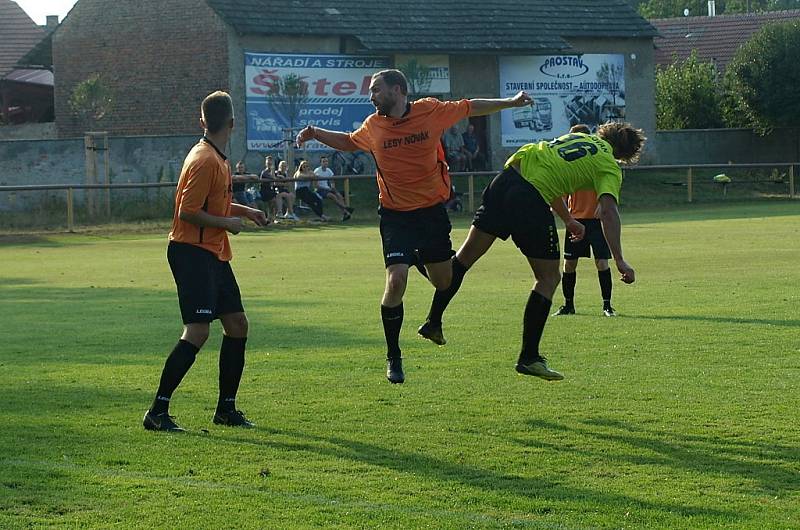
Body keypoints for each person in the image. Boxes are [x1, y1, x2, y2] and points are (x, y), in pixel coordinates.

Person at [296, 68, 532, 384]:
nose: (371, 96)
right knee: (396, 280)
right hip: (396, 216)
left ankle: (418, 261)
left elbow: (471, 106)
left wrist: (511, 102)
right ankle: (394, 357)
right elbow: (351, 142)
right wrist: (315, 132)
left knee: (443, 281)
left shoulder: (429, 111)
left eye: (377, 90)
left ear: (398, 90)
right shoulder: (373, 125)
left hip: (431, 213)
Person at [418, 121, 646, 381]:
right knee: (548, 278)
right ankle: (529, 357)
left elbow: (548, 176)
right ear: (626, 155)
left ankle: (433, 321)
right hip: (528, 198)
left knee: (463, 259)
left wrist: (569, 219)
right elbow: (608, 211)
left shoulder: (574, 139)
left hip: (504, 180)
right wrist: (619, 259)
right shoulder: (608, 164)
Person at [142, 91, 268, 432]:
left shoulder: (218, 158)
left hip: (212, 253)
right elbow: (187, 212)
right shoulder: (204, 160)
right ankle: (157, 412)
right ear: (232, 123)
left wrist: (246, 211)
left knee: (237, 325)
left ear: (202, 122)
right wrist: (229, 224)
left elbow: (214, 204)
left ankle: (226, 410)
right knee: (198, 331)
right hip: (191, 252)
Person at [552, 124, 618, 317]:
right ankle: (568, 305)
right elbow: (562, 191)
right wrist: (560, 209)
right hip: (575, 220)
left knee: (602, 263)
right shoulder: (568, 163)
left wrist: (602, 203)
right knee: (569, 264)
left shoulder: (597, 160)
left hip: (597, 221)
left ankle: (607, 306)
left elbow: (608, 182)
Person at [314, 155, 354, 221]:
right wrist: (327, 189)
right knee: (332, 196)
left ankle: (345, 213)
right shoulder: (317, 171)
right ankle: (346, 209)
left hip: (328, 189)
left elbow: (332, 181)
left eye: (326, 161)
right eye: (323, 161)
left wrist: (333, 187)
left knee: (339, 195)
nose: (325, 163)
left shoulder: (329, 170)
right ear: (320, 163)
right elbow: (316, 185)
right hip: (320, 190)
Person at [258, 155, 279, 222]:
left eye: (270, 162)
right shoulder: (264, 172)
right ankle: (269, 217)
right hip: (264, 191)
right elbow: (273, 178)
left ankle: (273, 217)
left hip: (271, 190)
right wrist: (273, 171)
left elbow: (276, 180)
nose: (269, 164)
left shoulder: (274, 172)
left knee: (274, 202)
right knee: (272, 201)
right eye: (268, 163)